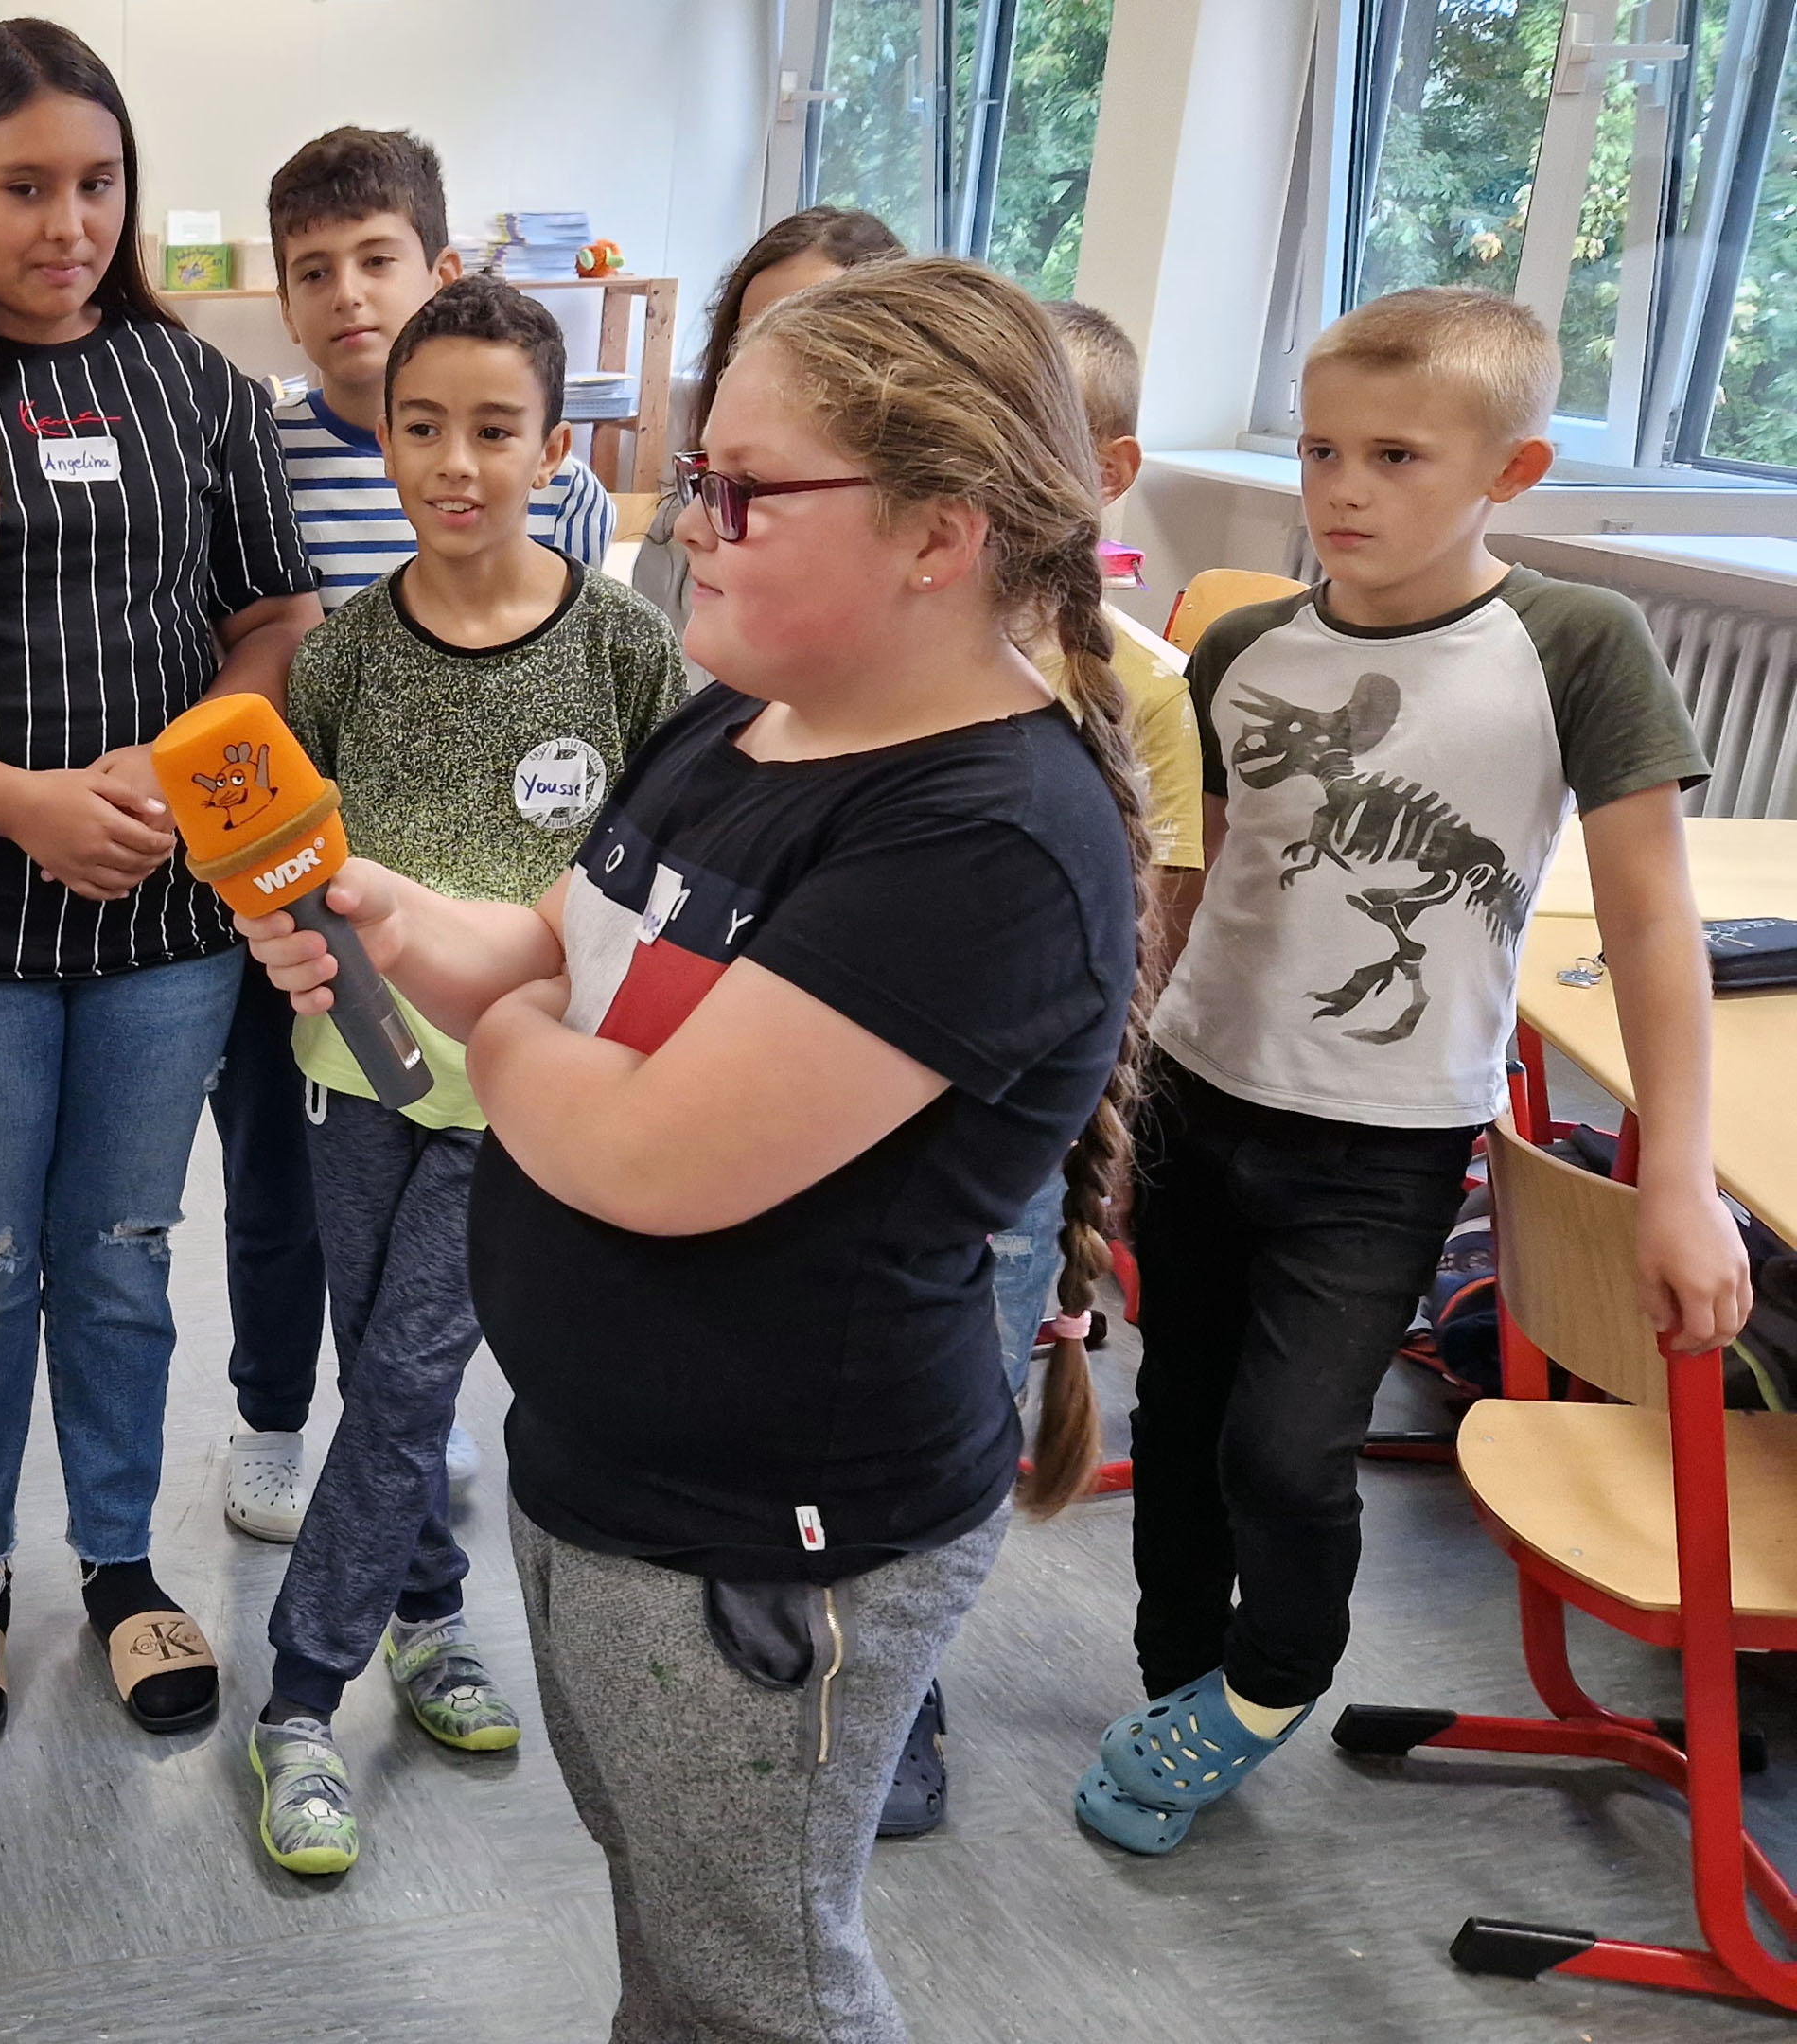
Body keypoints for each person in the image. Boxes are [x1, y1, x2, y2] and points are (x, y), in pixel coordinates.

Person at [241, 256, 1142, 2038]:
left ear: (938, 535)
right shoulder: (747, 717)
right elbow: (542, 948)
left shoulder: (983, 840)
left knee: (761, 1982)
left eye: (743, 490)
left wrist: (490, 1042)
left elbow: (643, 1151)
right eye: (695, 469)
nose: (689, 524)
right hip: (614, 1477)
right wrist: (374, 915)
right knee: (676, 1932)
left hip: (769, 1531)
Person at [1083, 285, 1753, 1855]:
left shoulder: (1578, 643)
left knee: (1287, 1443)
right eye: (1321, 451)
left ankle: (1268, 1679)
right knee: (1175, 1416)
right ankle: (1176, 1684)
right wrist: (1114, 1101)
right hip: (1197, 1098)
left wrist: (1676, 1177)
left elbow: (1655, 926)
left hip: (1383, 1141)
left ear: (1508, 475)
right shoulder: (1241, 642)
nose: (1341, 491)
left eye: (1395, 457)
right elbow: (1190, 884)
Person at [0, 18, 319, 1739]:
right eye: (25, 187)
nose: (68, 223)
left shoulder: (199, 386)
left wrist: (180, 756)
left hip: (166, 925)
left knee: (123, 1254)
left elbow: (272, 616)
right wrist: (19, 803)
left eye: (98, 184)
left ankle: (119, 1567)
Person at [244, 275, 687, 1877]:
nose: (455, 463)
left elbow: (667, 881)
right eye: (421, 428)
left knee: (417, 1371)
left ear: (554, 444)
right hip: (351, 1067)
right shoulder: (344, 658)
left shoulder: (630, 651)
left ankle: (297, 1698)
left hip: (528, 1087)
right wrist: (280, 936)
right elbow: (285, 870)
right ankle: (429, 1617)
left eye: (495, 431)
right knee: (385, 1375)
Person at [217, 124, 622, 1545]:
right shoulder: (252, 446)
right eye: (311, 271)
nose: (347, 295)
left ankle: (408, 1420)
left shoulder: (551, 489)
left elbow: (571, 644)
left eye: (377, 259)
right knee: (283, 1177)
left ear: (439, 270)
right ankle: (277, 1413)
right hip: (310, 911)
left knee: (454, 1208)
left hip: (495, 922)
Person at [872, 293, 1216, 1839]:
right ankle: (839, 1675)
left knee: (959, 1432)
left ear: (1100, 472)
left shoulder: (1135, 688)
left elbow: (1144, 941)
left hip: (1006, 1151)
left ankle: (907, 1698)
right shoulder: (875, 650)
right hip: (857, 1125)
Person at [625, 204, 903, 643]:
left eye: (812, 347)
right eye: (748, 341)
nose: (768, 371)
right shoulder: (686, 525)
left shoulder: (894, 542)